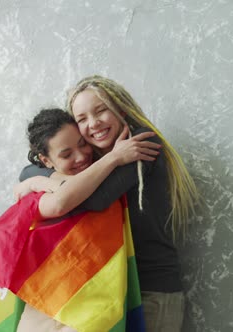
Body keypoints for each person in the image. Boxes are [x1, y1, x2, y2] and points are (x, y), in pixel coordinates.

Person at [18, 76, 200, 332]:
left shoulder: (142, 143)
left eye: (101, 110)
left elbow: (94, 200)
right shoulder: (97, 158)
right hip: (112, 293)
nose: (93, 124)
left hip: (152, 291)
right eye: (82, 119)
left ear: (121, 108)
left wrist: (43, 184)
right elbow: (28, 171)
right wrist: (36, 181)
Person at [14, 107, 159, 331]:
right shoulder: (40, 193)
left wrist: (43, 182)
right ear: (46, 160)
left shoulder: (113, 164)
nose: (81, 156)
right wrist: (113, 158)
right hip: (52, 301)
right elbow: (62, 196)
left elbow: (93, 198)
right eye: (66, 154)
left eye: (82, 144)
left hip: (95, 297)